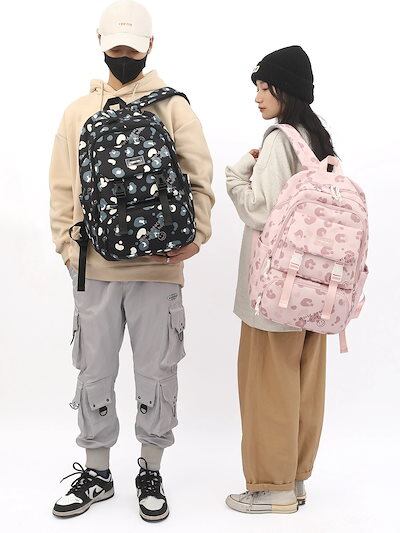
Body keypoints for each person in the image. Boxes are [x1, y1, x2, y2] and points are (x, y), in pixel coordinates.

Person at [49, 0, 214, 521]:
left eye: (133, 48)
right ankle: (97, 472)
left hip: (160, 268)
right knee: (94, 371)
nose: (124, 56)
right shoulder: (78, 111)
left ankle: (150, 470)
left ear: (150, 47)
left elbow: (199, 178)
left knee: (156, 372)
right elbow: (62, 189)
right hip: (93, 268)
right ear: (101, 45)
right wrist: (70, 251)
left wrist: (196, 237)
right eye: (116, 47)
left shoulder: (174, 107)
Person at [225, 45, 337, 514]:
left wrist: (236, 175)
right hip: (315, 290)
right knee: (302, 385)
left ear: (283, 89)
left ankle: (271, 488)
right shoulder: (318, 141)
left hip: (274, 291)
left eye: (263, 87)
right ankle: (294, 479)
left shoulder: (278, 141)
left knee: (267, 386)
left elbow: (261, 210)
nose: (256, 96)